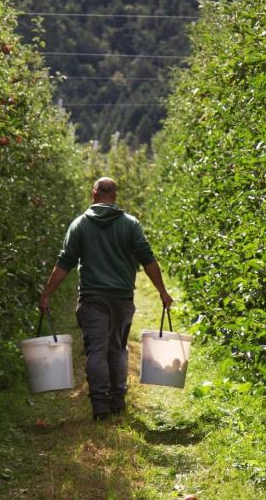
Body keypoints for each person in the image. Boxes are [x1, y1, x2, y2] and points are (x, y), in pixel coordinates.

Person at [39, 177, 173, 421]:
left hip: (93, 298)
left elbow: (64, 262)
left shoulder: (79, 225)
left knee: (97, 351)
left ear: (94, 194)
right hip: (122, 299)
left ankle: (101, 406)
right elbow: (148, 259)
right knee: (118, 349)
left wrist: (47, 293)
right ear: (115, 196)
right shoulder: (130, 225)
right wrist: (162, 292)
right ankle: (117, 401)